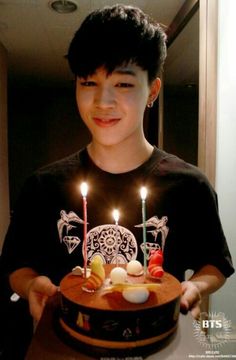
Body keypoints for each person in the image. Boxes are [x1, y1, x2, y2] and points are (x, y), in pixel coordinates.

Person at [0, 3, 234, 354]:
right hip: (68, 347)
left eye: (123, 83)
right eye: (88, 82)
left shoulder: (190, 186)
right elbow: (17, 263)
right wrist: (32, 283)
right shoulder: (43, 186)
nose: (102, 101)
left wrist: (197, 287)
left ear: (153, 90)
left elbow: (215, 262)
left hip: (160, 348)